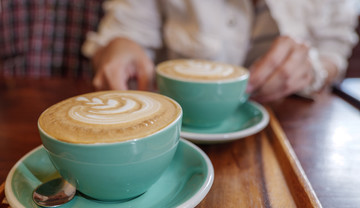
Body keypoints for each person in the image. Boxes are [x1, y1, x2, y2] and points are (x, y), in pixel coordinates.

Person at [82, 0, 359, 102]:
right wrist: (118, 45)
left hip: (283, 125)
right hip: (176, 128)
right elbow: (126, 31)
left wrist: (313, 70)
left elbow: (335, 48)